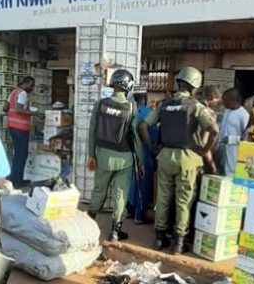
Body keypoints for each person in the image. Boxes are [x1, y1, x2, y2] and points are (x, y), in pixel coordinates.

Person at [139, 67, 218, 254]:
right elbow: (214, 130)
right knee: (184, 201)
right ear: (195, 87)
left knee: (163, 198)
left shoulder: (164, 105)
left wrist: (153, 148)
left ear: (179, 83)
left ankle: (159, 239)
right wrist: (203, 150)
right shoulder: (196, 107)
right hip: (188, 158)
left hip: (165, 157)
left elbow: (142, 127)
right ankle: (179, 243)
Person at [87, 69, 143, 242]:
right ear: (128, 86)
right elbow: (135, 136)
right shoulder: (132, 107)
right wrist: (140, 162)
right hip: (124, 159)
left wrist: (92, 155)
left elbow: (92, 131)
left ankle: (87, 227)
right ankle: (115, 232)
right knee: (121, 195)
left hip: (103, 156)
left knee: (99, 192)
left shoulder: (101, 103)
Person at [4, 76, 38, 188]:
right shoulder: (22, 93)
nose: (32, 88)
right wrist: (33, 113)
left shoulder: (14, 92)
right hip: (21, 128)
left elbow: (5, 107)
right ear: (27, 83)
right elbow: (19, 109)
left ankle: (13, 177)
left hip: (12, 126)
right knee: (21, 155)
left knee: (17, 154)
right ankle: (18, 181)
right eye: (31, 85)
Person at [127, 92, 155, 225]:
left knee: (130, 184)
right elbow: (153, 136)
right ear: (145, 99)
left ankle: (129, 211)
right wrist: (154, 150)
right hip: (145, 154)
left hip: (129, 154)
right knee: (143, 186)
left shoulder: (130, 112)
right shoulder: (150, 113)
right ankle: (139, 215)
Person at [219, 88, 250, 176]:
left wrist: (231, 139)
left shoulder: (243, 115)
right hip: (223, 149)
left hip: (234, 151)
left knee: (230, 174)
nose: (223, 103)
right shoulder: (227, 111)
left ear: (232, 100)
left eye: (225, 101)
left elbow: (247, 138)